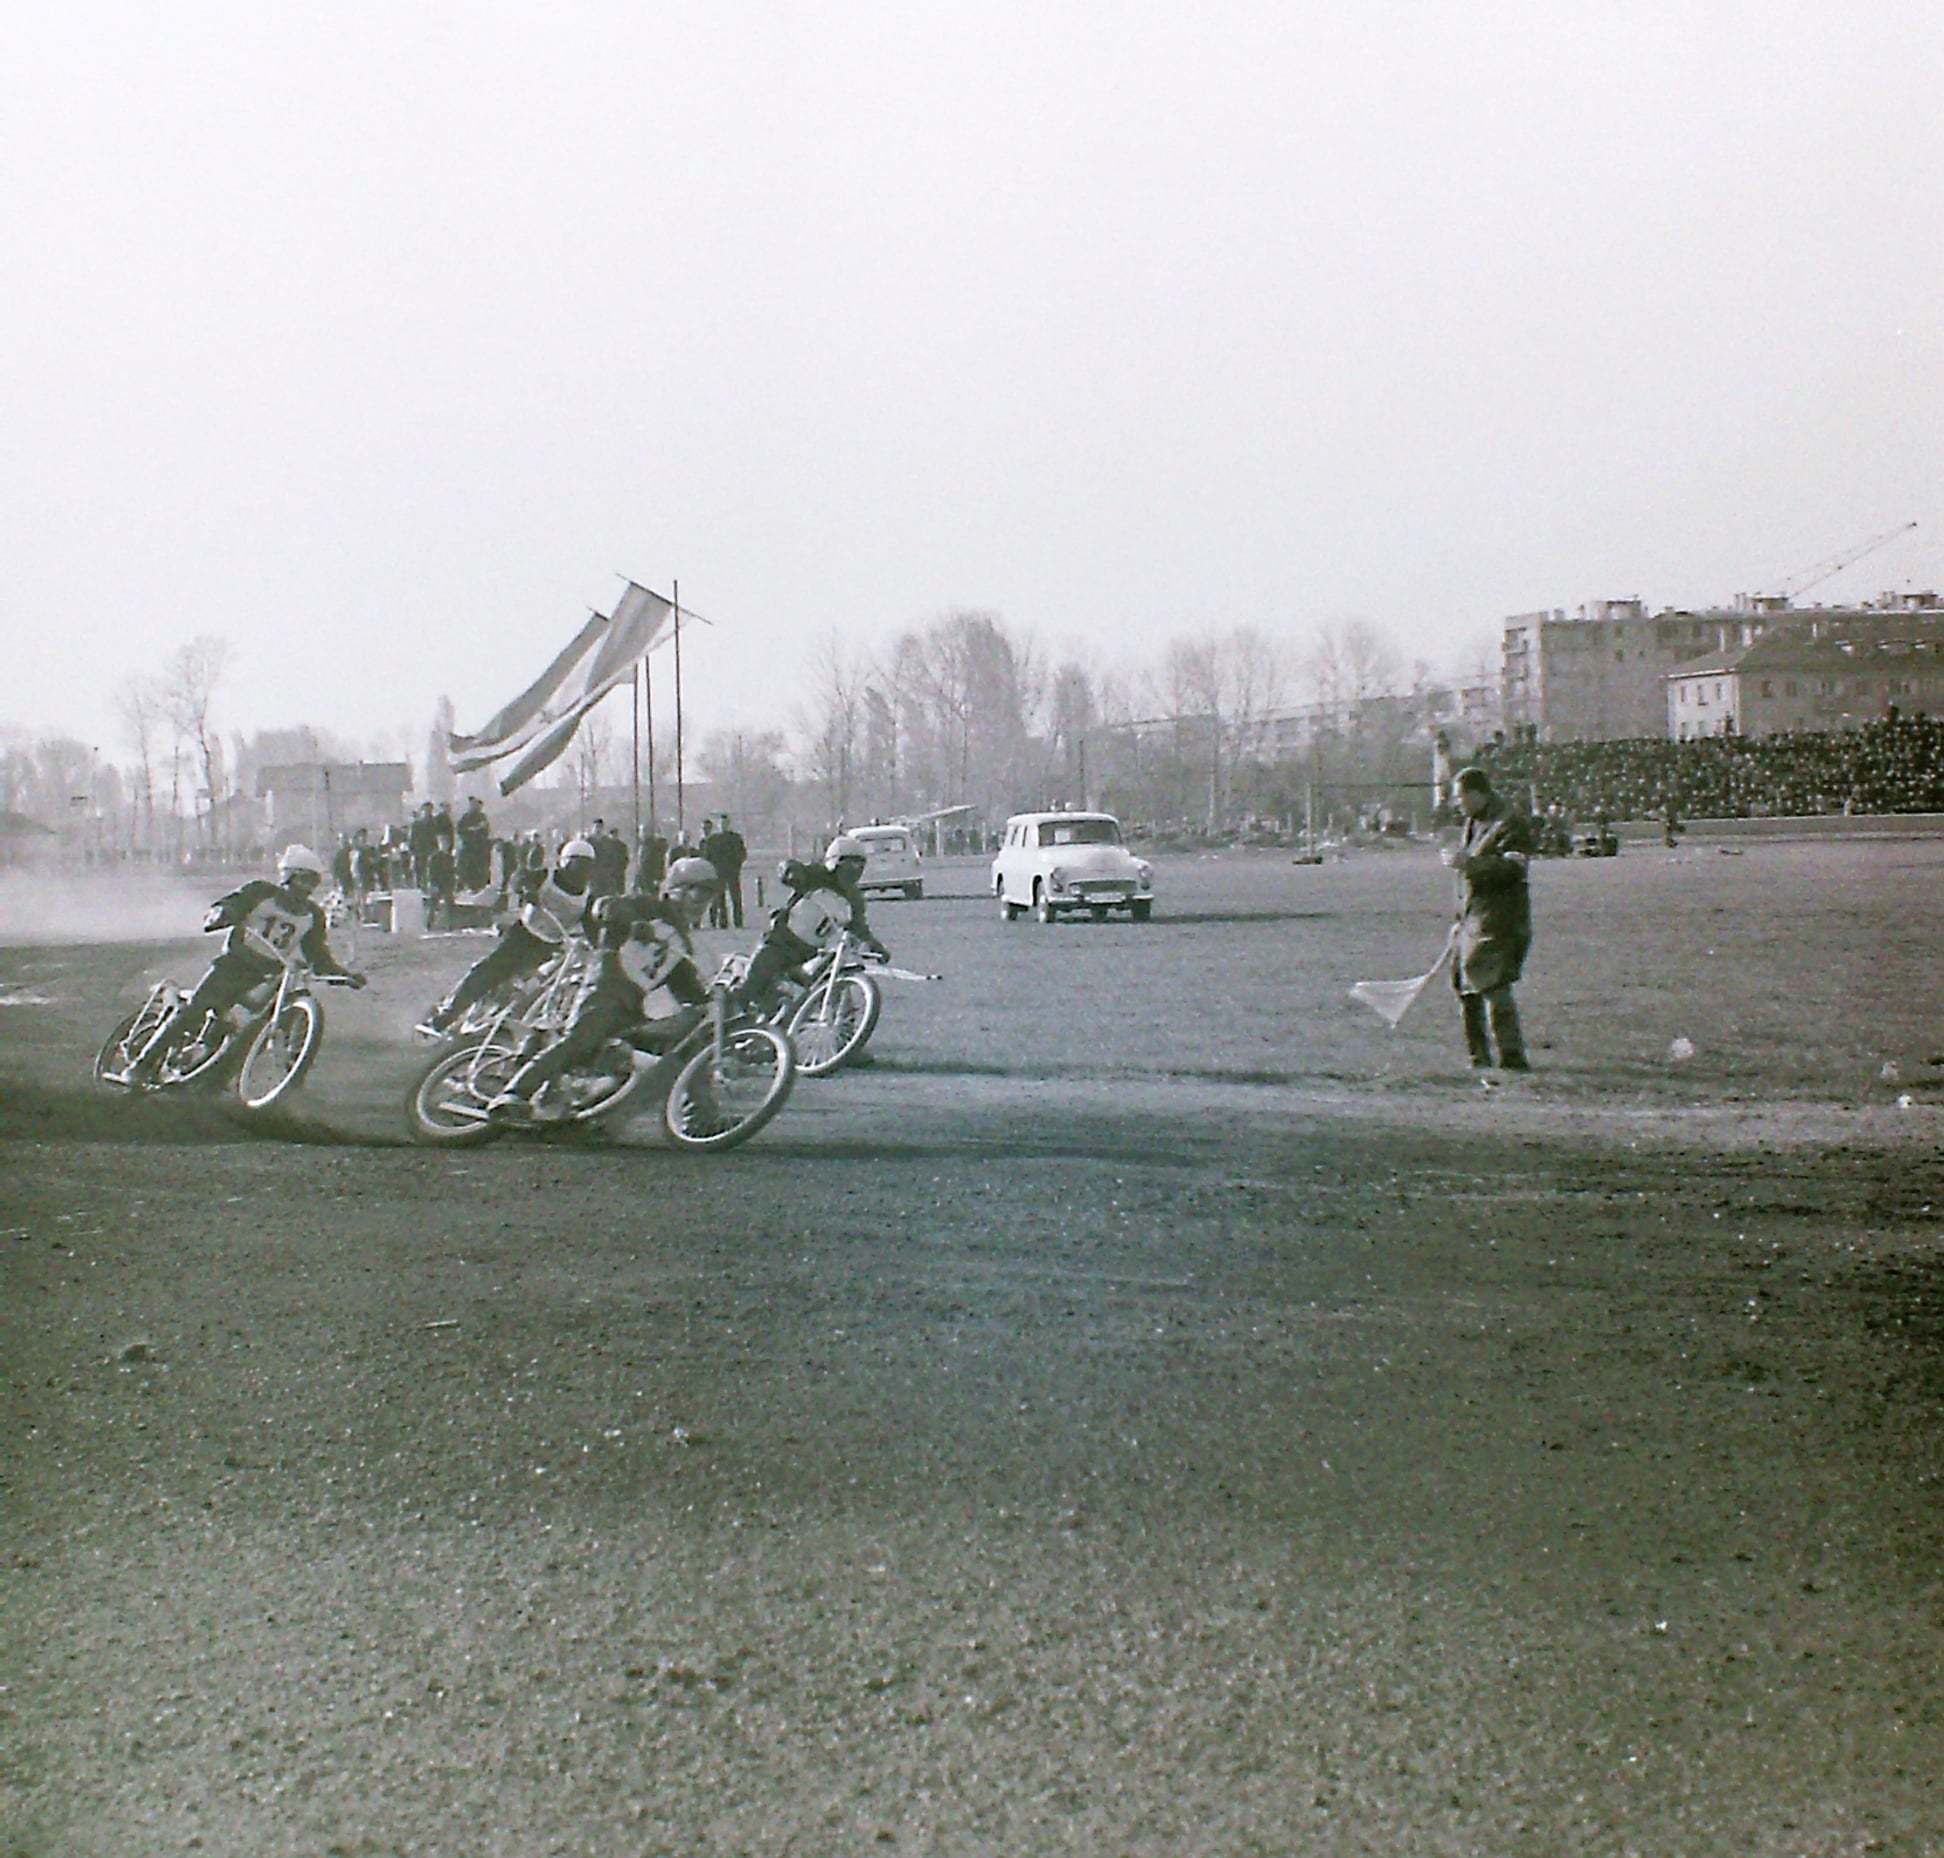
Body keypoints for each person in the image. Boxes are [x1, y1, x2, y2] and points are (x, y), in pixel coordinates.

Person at [106, 845, 366, 1085]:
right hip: (233, 965)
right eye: (302, 879)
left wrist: (342, 975)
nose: (307, 888)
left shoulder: (313, 915)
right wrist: (222, 914)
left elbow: (318, 956)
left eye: (313, 881)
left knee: (253, 1027)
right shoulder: (261, 892)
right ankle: (140, 1065)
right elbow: (232, 903)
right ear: (287, 877)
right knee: (196, 1009)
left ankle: (218, 1078)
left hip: (266, 976)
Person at [485, 857, 720, 1122]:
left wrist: (715, 997)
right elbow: (606, 905)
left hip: (631, 1003)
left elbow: (686, 987)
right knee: (583, 1037)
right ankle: (513, 1092)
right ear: (676, 888)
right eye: (697, 891)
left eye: (708, 895)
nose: (701, 901)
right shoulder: (648, 906)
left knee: (675, 1043)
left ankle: (701, 1117)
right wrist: (634, 924)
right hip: (607, 981)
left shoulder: (681, 942)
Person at [416, 837, 600, 1038]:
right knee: (487, 972)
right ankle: (445, 1017)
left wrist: (599, 949)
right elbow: (519, 877)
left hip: (547, 949)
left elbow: (593, 931)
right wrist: (527, 890)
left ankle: (498, 1025)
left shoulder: (587, 898)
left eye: (586, 866)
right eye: (576, 864)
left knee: (530, 989)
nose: (580, 872)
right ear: (564, 862)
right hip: (522, 936)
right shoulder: (545, 877)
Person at [736, 835, 889, 1019]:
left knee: (831, 983)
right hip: (781, 942)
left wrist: (875, 946)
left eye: (860, 865)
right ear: (836, 862)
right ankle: (730, 1022)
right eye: (851, 863)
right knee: (754, 980)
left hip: (811, 952)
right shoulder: (815, 875)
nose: (856, 870)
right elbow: (788, 867)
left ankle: (845, 1031)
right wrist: (790, 871)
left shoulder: (854, 898)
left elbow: (859, 927)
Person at [1445, 767, 1532, 1072]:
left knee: (1491, 984)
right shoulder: (1475, 821)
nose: (1457, 804)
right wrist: (1459, 918)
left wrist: (1469, 864)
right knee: (1463, 984)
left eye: (1459, 797)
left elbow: (1514, 869)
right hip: (1474, 918)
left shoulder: (1509, 823)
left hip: (1500, 919)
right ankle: (1478, 1057)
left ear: (1476, 794)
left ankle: (1512, 1057)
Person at [704, 814, 748, 929]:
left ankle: (738, 921)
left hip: (732, 871)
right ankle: (723, 922)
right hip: (718, 872)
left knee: (736, 898)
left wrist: (737, 865)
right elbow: (707, 857)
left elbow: (742, 854)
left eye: (725, 823)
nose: (723, 826)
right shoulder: (712, 840)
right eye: (721, 824)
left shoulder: (736, 838)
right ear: (718, 825)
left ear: (729, 824)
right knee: (720, 899)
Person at [456, 797, 493, 891]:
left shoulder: (482, 817)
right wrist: (473, 830)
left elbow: (486, 832)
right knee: (465, 870)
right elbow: (460, 831)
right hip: (468, 848)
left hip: (479, 850)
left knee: (479, 871)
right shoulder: (465, 817)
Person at [587, 818, 630, 899]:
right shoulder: (588, 841)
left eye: (600, 827)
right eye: (596, 827)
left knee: (606, 896)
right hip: (593, 874)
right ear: (592, 828)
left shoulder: (608, 842)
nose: (598, 830)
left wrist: (612, 870)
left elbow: (613, 857)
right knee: (593, 894)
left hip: (606, 874)